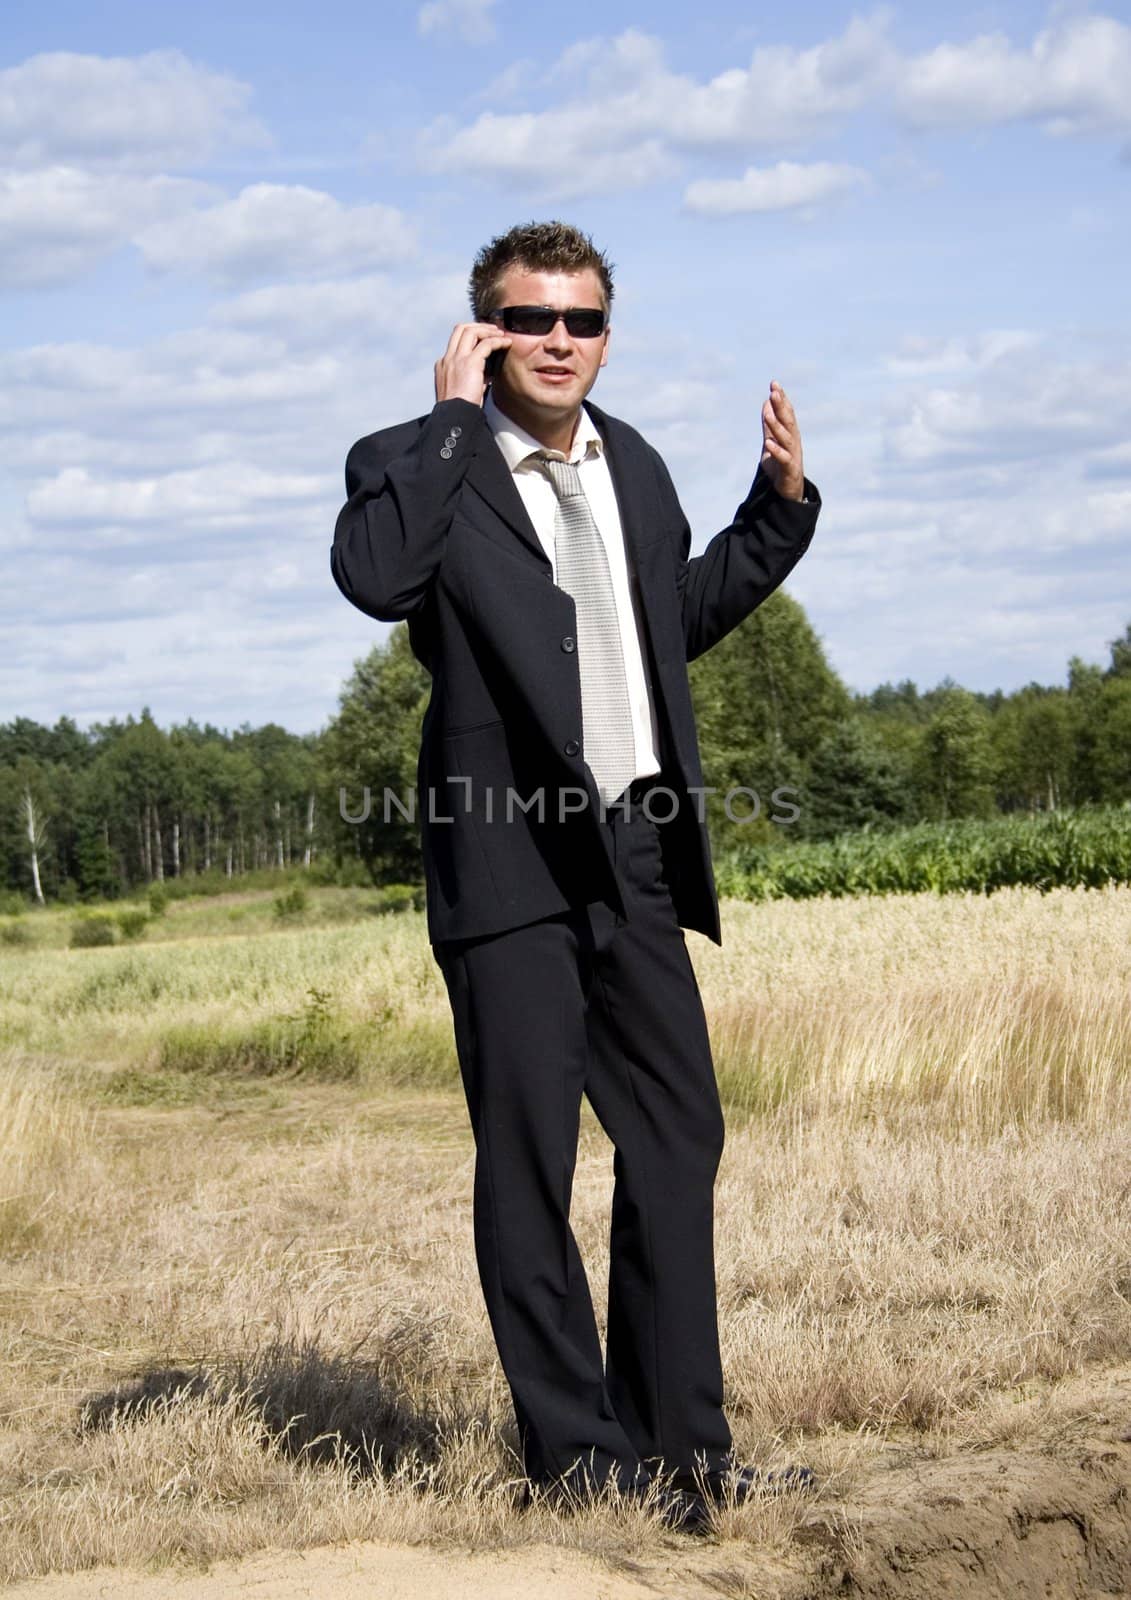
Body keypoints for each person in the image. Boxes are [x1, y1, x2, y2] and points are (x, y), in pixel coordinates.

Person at [331, 221, 821, 1528]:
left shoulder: (636, 465)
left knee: (676, 1137)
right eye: (529, 318)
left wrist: (776, 518)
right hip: (506, 862)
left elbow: (676, 621)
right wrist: (445, 426)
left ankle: (682, 1452)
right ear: (481, 331)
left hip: (633, 852)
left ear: (609, 335)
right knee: (531, 1161)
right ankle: (581, 1465)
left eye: (583, 321)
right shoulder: (411, 463)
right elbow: (378, 582)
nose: (559, 341)